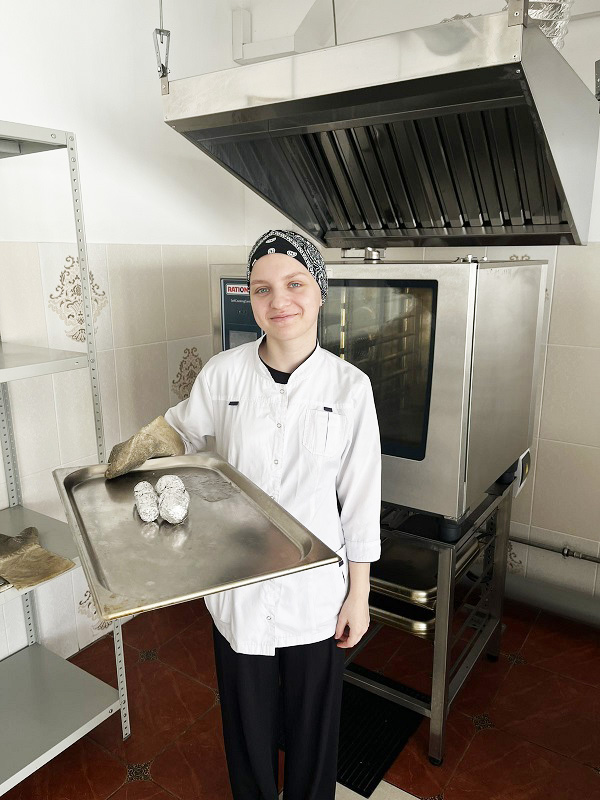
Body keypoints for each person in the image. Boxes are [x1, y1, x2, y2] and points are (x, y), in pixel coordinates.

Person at [106, 229, 381, 800]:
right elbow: (180, 430)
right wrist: (133, 452)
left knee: (313, 729)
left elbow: (360, 501)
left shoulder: (350, 388)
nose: (279, 301)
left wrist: (358, 595)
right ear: (250, 298)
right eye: (262, 288)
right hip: (239, 585)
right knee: (246, 724)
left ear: (320, 292)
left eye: (295, 284)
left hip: (314, 591)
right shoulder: (223, 374)